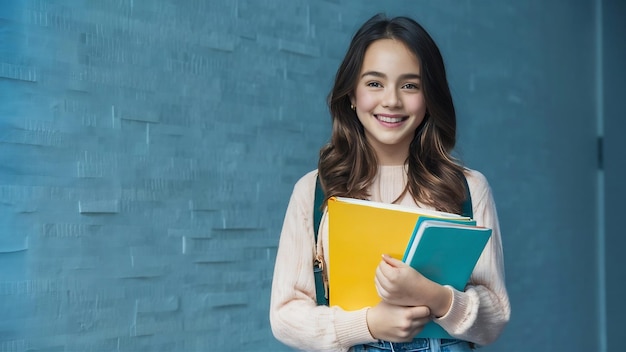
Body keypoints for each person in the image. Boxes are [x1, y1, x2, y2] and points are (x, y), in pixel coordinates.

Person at [270, 13, 510, 352]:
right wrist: (368, 324)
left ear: (429, 99)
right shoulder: (313, 190)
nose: (392, 100)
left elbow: (494, 318)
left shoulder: (469, 188)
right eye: (374, 83)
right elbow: (285, 315)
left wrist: (436, 298)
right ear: (351, 95)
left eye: (410, 85)